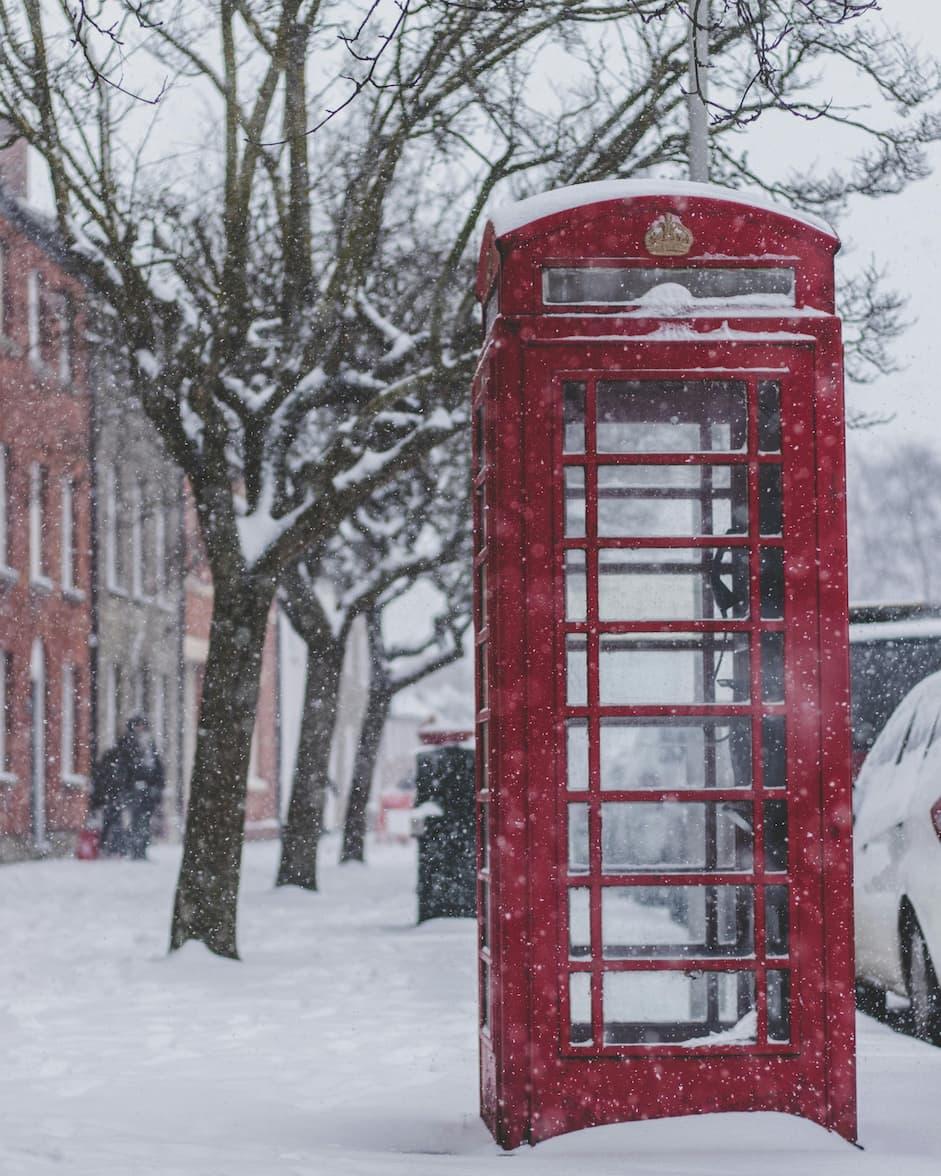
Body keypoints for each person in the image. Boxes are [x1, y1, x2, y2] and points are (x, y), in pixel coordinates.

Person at [117, 716, 165, 860]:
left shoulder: (150, 744)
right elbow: (124, 767)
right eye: (137, 725)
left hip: (148, 790)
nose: (140, 728)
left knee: (145, 820)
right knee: (134, 819)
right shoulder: (127, 743)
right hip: (133, 789)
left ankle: (142, 849)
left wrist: (158, 785)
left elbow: (158, 767)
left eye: (142, 725)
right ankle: (133, 848)